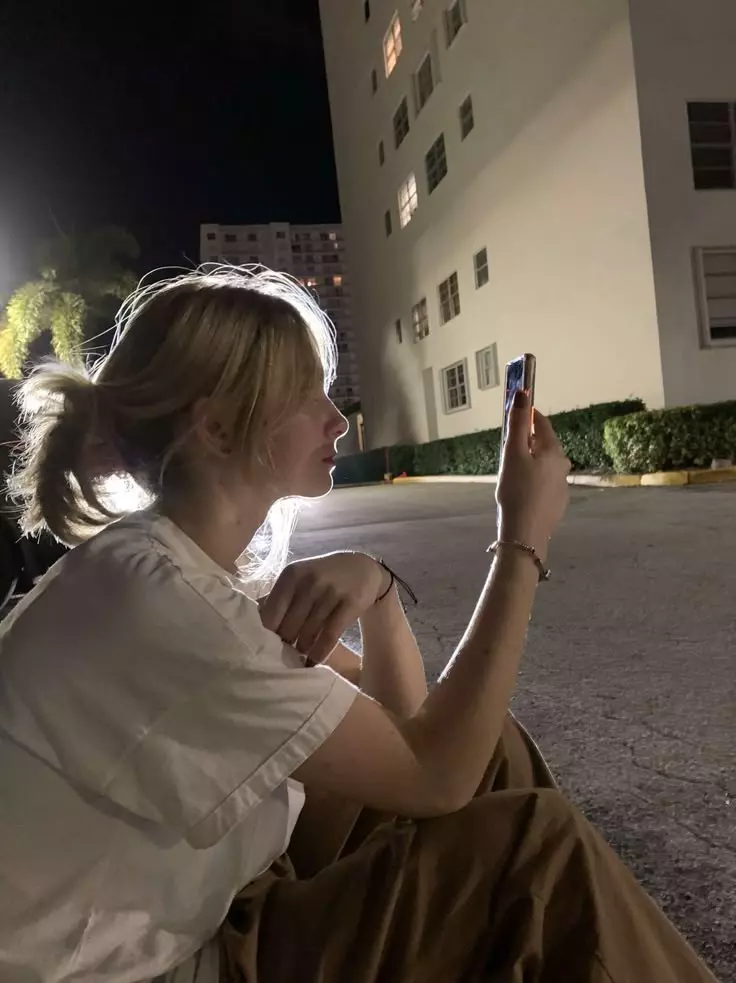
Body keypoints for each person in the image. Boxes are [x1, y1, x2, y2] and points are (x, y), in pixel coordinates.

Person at [0, 268, 717, 983]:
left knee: (491, 745)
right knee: (536, 854)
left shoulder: (178, 574)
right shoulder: (165, 604)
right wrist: (522, 538)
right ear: (217, 427)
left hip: (197, 906)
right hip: (153, 965)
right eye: (306, 395)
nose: (337, 419)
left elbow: (403, 725)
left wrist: (378, 591)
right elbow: (434, 774)